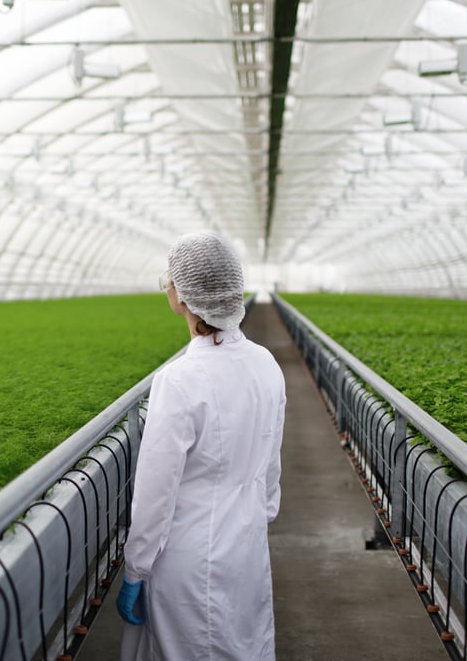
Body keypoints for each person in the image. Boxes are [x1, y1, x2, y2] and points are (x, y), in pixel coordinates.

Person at [116, 232, 286, 660]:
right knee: (245, 645)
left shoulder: (180, 380)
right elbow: (270, 467)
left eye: (169, 281)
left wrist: (137, 567)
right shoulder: (265, 363)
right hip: (247, 544)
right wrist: (254, 514)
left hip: (190, 557)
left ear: (183, 296)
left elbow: (156, 490)